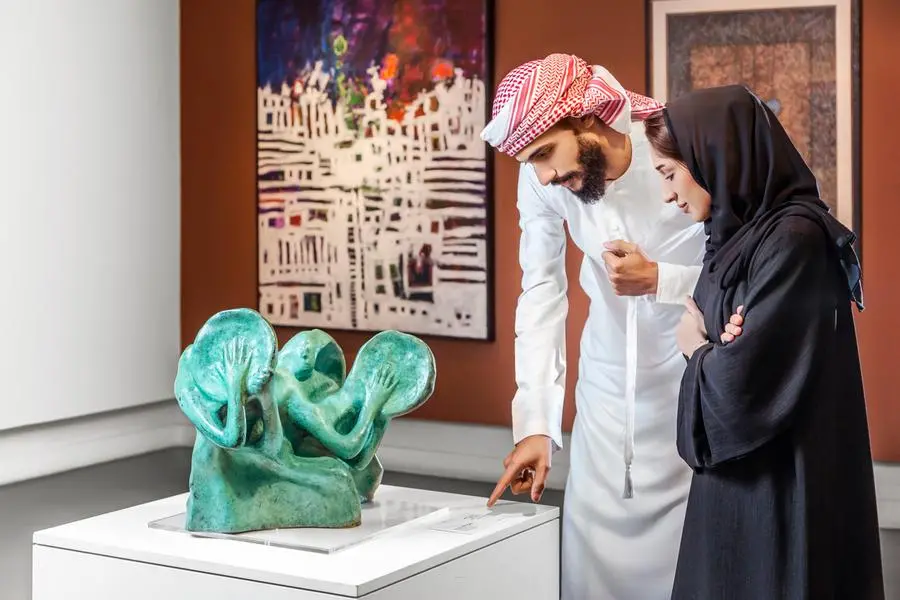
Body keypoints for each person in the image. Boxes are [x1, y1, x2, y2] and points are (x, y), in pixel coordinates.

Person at [479, 52, 718, 599]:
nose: (545, 177)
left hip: (693, 392)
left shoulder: (678, 149)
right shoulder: (542, 181)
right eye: (532, 163)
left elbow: (748, 273)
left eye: (546, 154)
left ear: (586, 117)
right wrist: (536, 424)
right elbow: (541, 292)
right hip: (603, 403)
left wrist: (659, 279)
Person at [644, 84, 884, 599]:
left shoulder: (794, 239)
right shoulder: (733, 237)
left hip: (781, 487)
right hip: (738, 483)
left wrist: (698, 349)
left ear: (714, 157)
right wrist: (720, 347)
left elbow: (743, 382)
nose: (666, 194)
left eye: (669, 173)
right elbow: (733, 353)